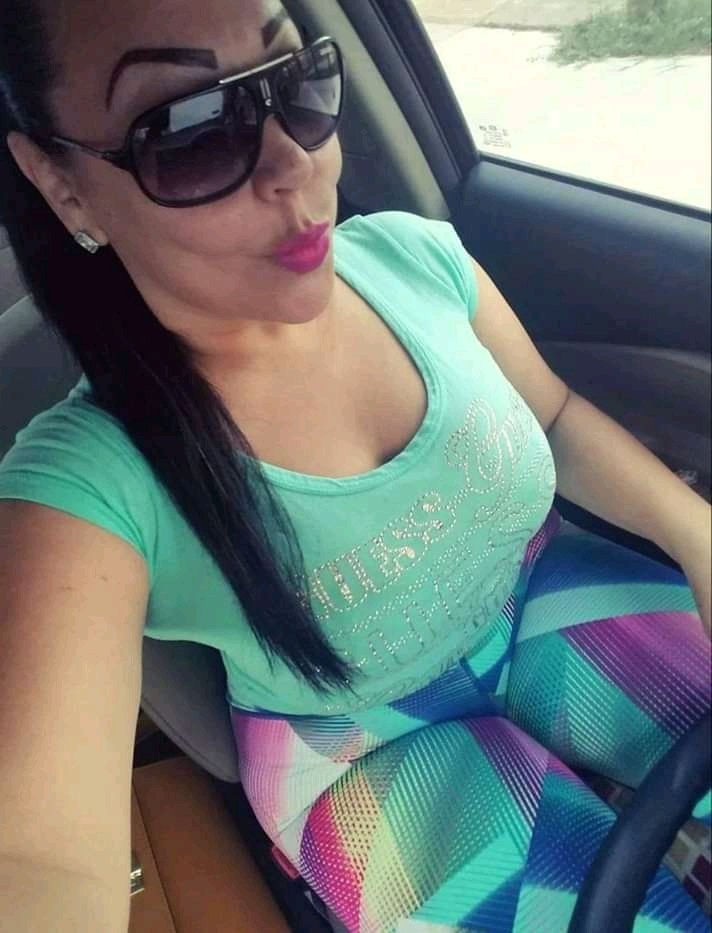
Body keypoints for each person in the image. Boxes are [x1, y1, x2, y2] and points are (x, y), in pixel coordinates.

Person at [0, 1, 709, 930]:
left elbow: (557, 417)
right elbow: (38, 857)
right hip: (353, 745)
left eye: (295, 81)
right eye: (190, 130)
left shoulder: (415, 259)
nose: (295, 162)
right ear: (64, 186)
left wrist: (697, 534)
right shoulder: (85, 478)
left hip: (538, 593)